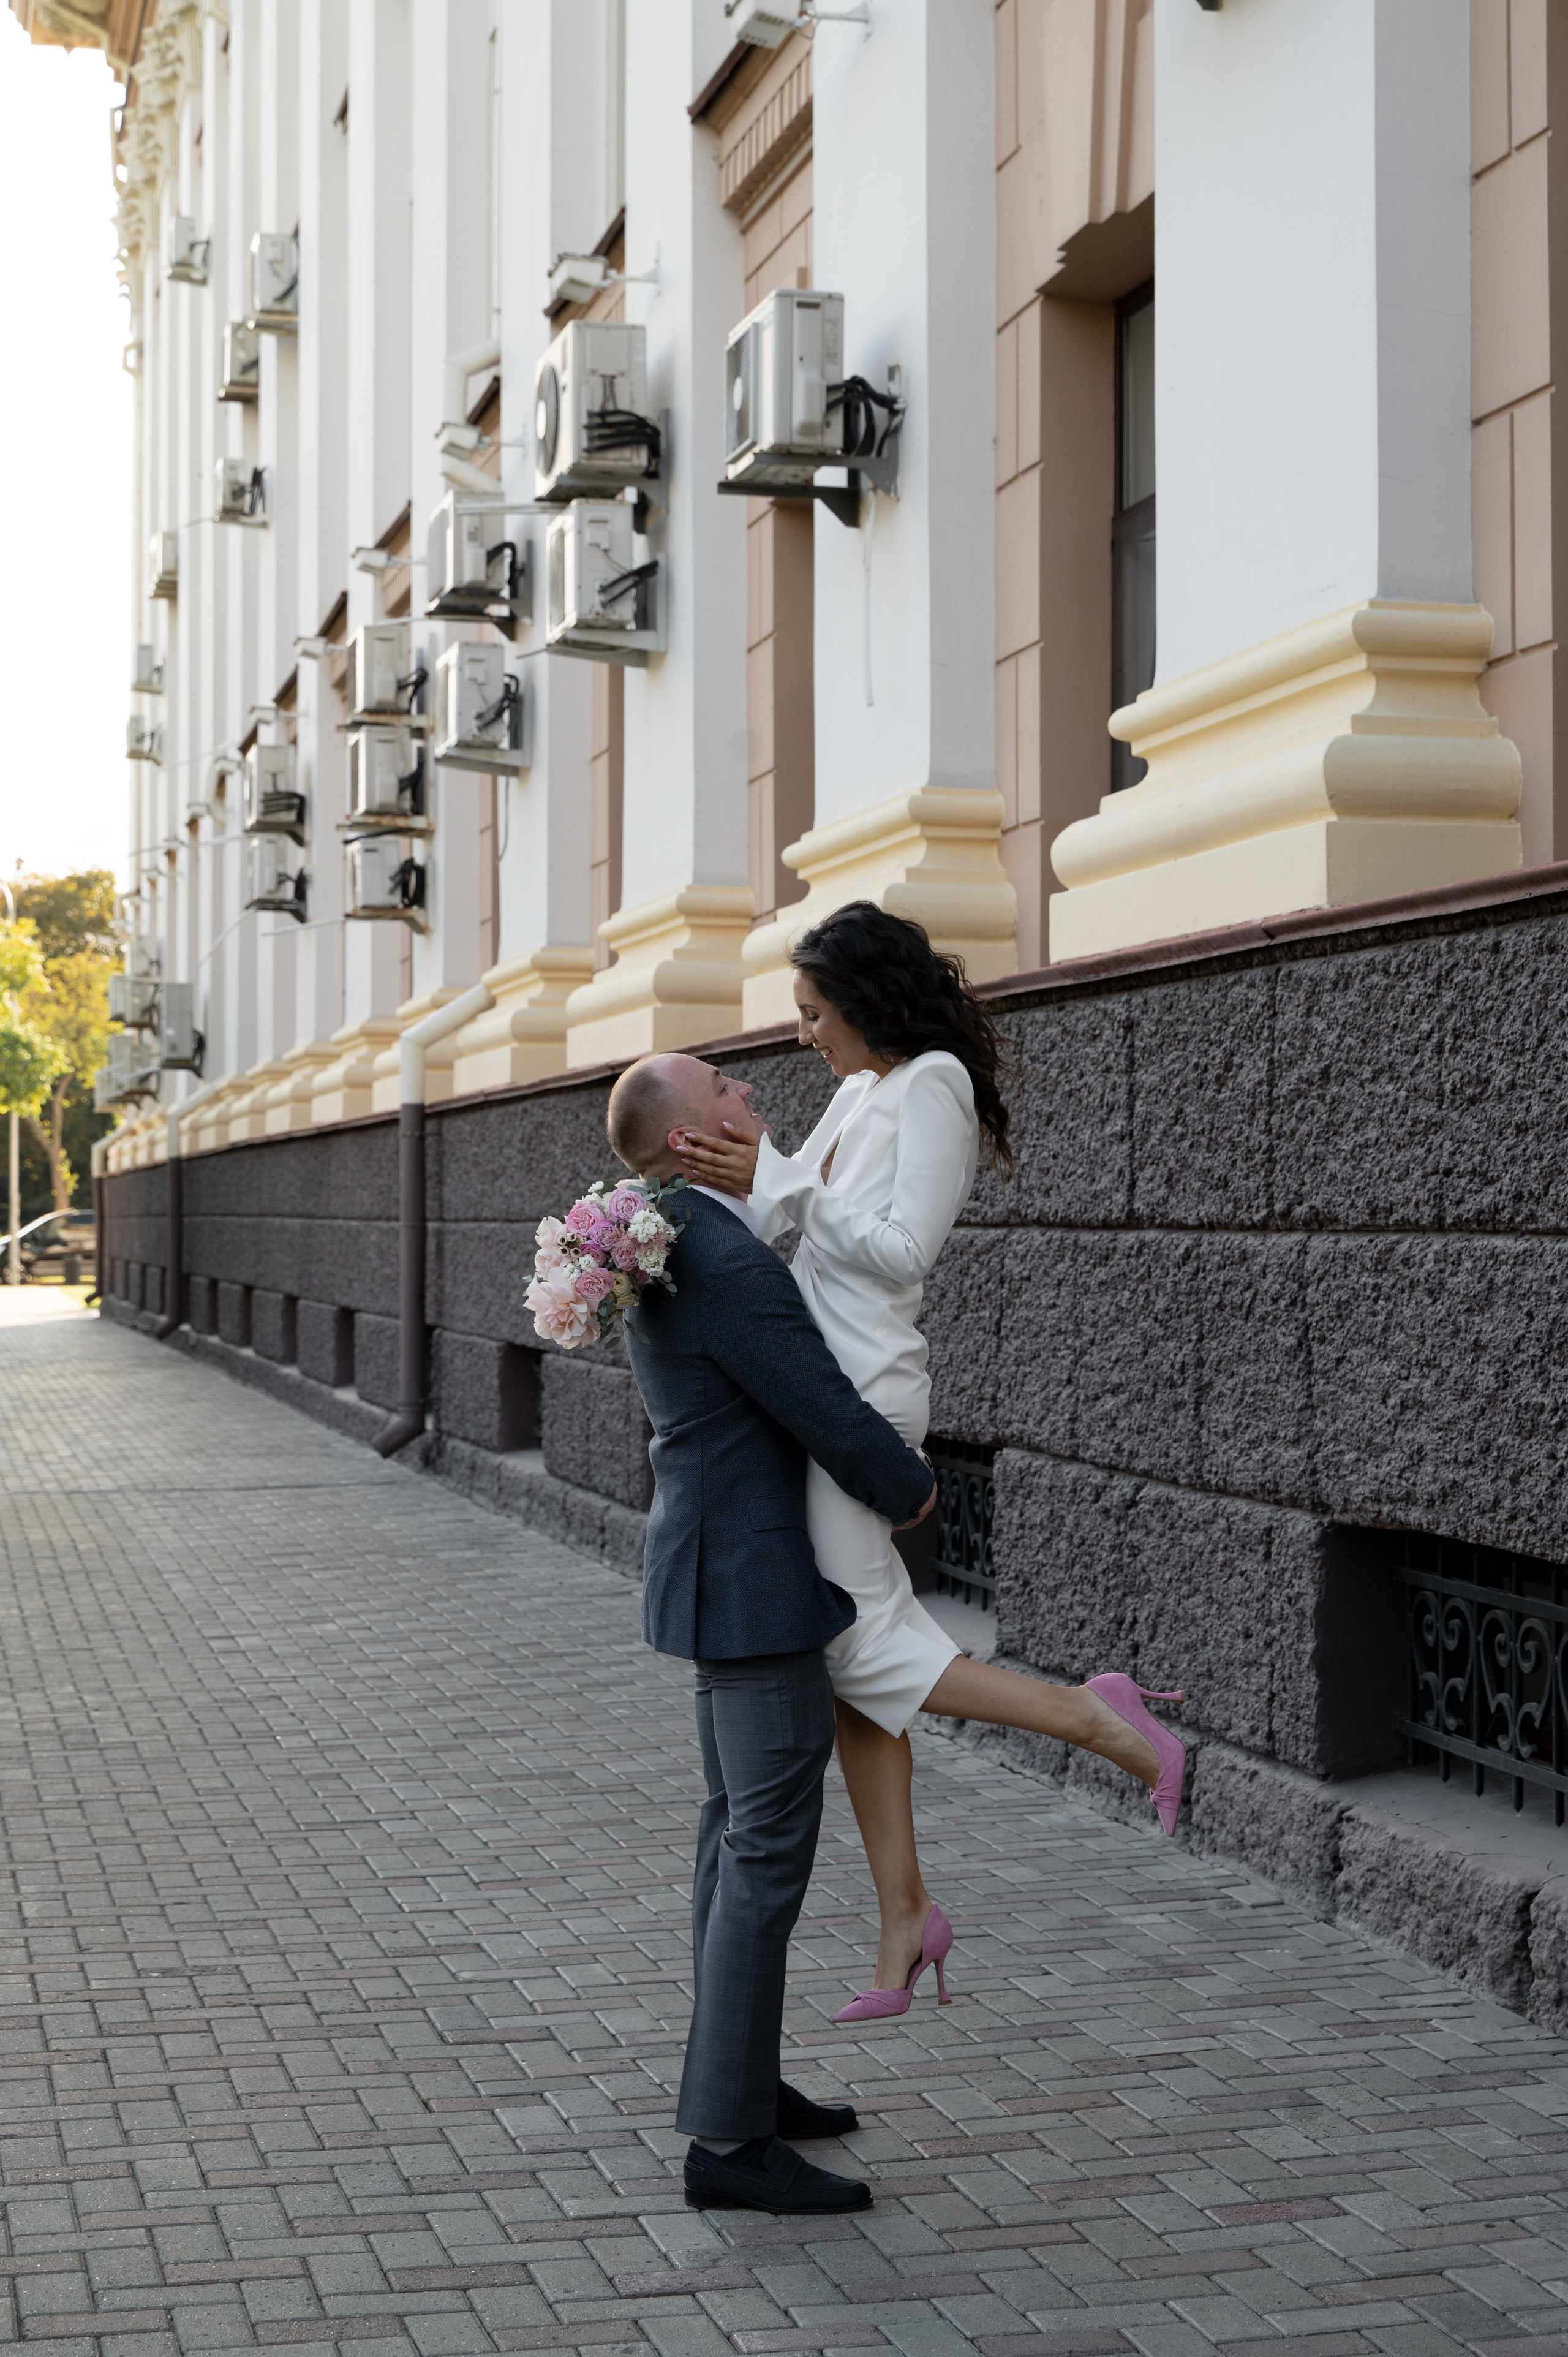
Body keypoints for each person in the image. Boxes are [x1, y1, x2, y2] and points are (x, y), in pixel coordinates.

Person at [672, 902, 1186, 2024]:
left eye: (813, 1014)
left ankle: (1099, 1720)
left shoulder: (935, 1085)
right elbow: (784, 1220)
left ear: (863, 1001)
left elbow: (903, 1251)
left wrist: (780, 1179)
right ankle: (905, 1916)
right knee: (860, 1659)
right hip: (821, 1384)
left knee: (855, 1644)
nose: (804, 1035)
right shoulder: (859, 1092)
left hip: (867, 1395)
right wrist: (657, 1224)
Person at [605, 1050, 938, 2216]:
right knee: (763, 1853)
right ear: (692, 1139)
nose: (756, 1099)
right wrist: (907, 1486)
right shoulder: (720, 1253)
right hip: (751, 1585)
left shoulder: (665, 1232)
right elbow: (817, 1397)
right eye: (732, 1095)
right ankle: (731, 2146)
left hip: (719, 1572)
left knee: (731, 1840)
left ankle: (741, 2084)